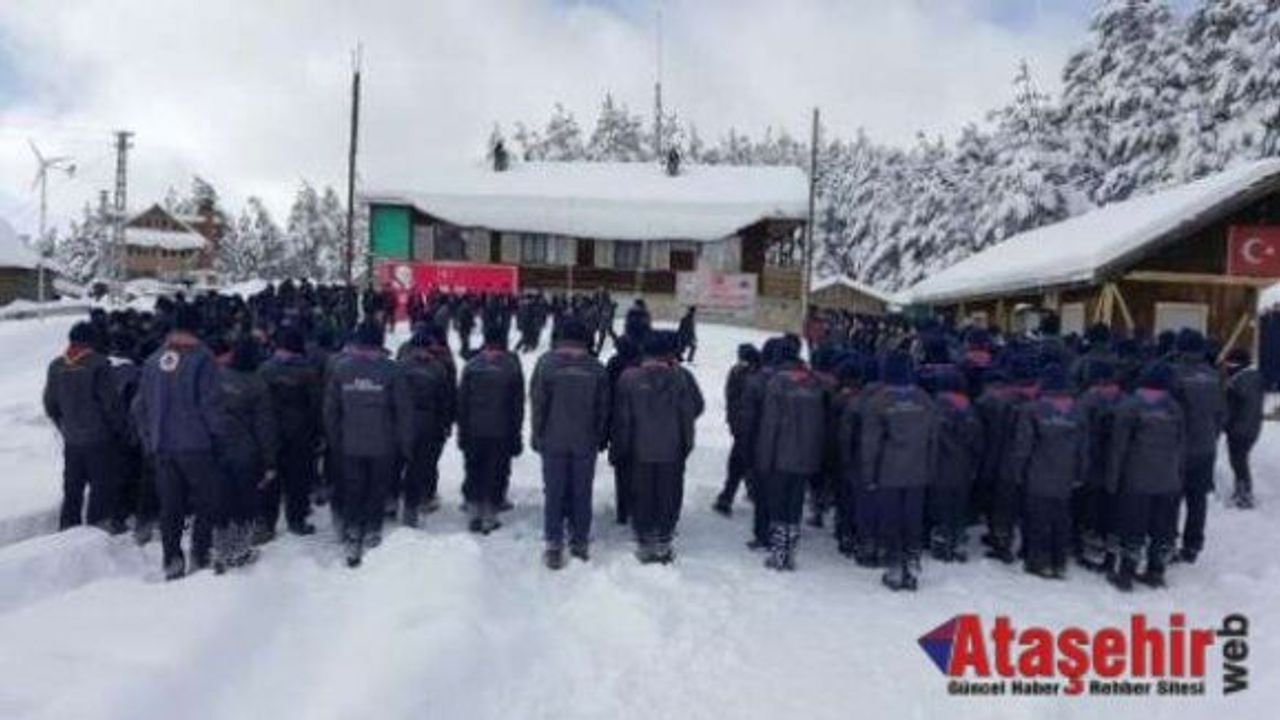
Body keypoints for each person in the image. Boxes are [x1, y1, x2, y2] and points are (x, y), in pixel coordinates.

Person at [133, 306, 227, 580]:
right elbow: (210, 405)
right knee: (205, 502)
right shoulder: (203, 359)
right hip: (197, 445)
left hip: (163, 446)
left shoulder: (153, 360)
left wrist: (149, 439)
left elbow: (139, 407)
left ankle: (172, 559)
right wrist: (219, 436)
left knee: (170, 507)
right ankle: (200, 552)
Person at [323, 320, 414, 567]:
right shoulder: (392, 371)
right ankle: (373, 529)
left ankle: (352, 532)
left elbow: (331, 411)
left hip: (349, 444)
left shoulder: (341, 369)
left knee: (352, 488)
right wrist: (405, 444)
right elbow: (403, 411)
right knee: (377, 488)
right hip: (383, 444)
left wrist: (335, 440)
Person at [613, 331, 703, 564]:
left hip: (639, 446)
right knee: (669, 492)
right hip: (672, 446)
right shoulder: (682, 377)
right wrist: (686, 441)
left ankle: (644, 538)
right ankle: (664, 538)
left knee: (641, 492)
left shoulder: (629, 378)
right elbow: (694, 408)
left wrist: (622, 446)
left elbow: (623, 418)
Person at [530, 317, 610, 569]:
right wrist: (600, 436)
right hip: (585, 439)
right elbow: (603, 408)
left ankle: (554, 542)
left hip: (553, 438)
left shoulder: (546, 364)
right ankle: (580, 541)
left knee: (553, 490)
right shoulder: (597, 368)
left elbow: (538, 403)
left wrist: (537, 434)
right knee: (581, 490)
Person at [43, 321, 129, 532]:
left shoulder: (56, 366)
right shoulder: (99, 364)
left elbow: (50, 403)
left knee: (72, 489)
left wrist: (64, 426)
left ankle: (67, 529)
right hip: (100, 439)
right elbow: (111, 405)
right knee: (101, 488)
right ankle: (96, 531)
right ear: (91, 340)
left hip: (72, 440)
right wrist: (121, 430)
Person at [1106, 363, 1184, 591]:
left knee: (1133, 525)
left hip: (1137, 477)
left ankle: (1126, 574)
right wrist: (1178, 474)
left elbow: (1118, 447)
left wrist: (1113, 479)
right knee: (1162, 527)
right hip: (1168, 478)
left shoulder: (1130, 406)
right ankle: (1155, 572)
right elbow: (1182, 444)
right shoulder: (1174, 408)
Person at [862, 351, 936, 591]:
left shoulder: (878, 401)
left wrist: (869, 474)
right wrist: (930, 469)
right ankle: (912, 562)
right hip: (918, 470)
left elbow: (871, 442)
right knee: (913, 517)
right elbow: (933, 439)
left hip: (888, 470)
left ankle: (894, 566)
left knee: (890, 518)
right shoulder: (925, 399)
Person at [754, 337, 827, 571]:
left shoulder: (777, 383)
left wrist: (764, 458)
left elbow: (770, 425)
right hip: (806, 455)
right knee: (795, 504)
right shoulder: (814, 383)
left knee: (778, 504)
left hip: (779, 455)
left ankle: (778, 553)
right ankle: (790, 553)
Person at [1009, 364, 1088, 580]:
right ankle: (1059, 561)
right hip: (1066, 474)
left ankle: (1039, 561)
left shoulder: (1032, 410)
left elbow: (1023, 446)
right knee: (1061, 518)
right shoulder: (1077, 411)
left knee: (1038, 518)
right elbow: (1084, 447)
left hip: (1038, 473)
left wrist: (1018, 472)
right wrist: (1081, 473)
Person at [211, 337, 277, 573]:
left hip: (215, 447)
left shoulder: (215, 376)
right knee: (243, 501)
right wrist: (270, 460)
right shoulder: (257, 385)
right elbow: (264, 426)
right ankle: (239, 550)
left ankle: (219, 549)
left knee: (221, 499)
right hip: (245, 452)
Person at [456, 323, 524, 535]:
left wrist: (462, 429)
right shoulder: (511, 367)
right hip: (501, 428)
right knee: (497, 470)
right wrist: (516, 432)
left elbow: (462, 401)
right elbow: (517, 404)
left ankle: (473, 508)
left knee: (473, 467)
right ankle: (490, 512)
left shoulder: (472, 365)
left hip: (474, 427)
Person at [259, 327, 324, 541]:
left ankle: (267, 523)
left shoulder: (265, 369)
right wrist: (318, 433)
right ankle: (296, 519)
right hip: (300, 433)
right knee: (298, 479)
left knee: (271, 478)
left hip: (271, 433)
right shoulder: (307, 371)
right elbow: (315, 405)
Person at [1169, 330, 1225, 564]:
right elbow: (1222, 413)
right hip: (1206, 446)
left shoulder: (1175, 374)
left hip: (1179, 446)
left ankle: (1168, 541)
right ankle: (1193, 545)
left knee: (1172, 496)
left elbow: (1170, 411)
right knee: (1197, 498)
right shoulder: (1214, 375)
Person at [398, 323, 456, 527]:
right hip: (428, 423)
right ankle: (414, 507)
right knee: (420, 465)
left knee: (399, 462)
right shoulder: (438, 368)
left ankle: (393, 501)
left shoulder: (401, 366)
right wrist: (445, 424)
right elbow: (444, 400)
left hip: (403, 421)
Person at [928, 369, 982, 563]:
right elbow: (978, 442)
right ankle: (958, 540)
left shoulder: (935, 407)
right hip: (964, 465)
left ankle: (942, 539)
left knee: (940, 503)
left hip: (940, 465)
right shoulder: (971, 409)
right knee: (959, 504)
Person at [713, 344, 760, 516]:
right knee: (750, 462)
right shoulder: (761, 375)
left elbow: (731, 398)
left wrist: (733, 422)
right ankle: (750, 490)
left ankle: (727, 498)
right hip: (755, 427)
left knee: (737, 464)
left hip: (742, 425)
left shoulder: (738, 373)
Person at [1223, 348, 1263, 509]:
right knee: (1241, 459)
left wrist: (1224, 425)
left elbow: (1230, 409)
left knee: (1238, 461)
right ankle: (1242, 490)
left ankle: (1244, 494)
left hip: (1237, 428)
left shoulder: (1236, 382)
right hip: (1253, 427)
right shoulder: (1256, 378)